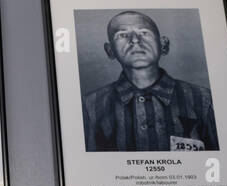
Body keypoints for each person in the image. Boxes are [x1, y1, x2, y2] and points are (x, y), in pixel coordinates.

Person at [82, 10, 217, 152]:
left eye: (144, 33)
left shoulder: (204, 99)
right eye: (123, 35)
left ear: (163, 44)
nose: (135, 40)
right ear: (110, 50)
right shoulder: (90, 105)